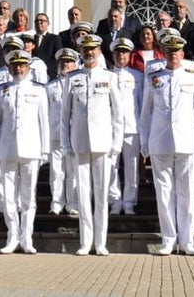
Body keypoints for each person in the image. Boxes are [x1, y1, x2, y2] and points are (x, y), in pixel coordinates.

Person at [139, 34, 194, 256]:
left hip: (186, 140)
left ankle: (187, 240)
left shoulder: (191, 75)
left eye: (177, 51)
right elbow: (146, 112)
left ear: (182, 53)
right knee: (164, 192)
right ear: (164, 53)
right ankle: (169, 238)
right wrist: (144, 140)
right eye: (169, 52)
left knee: (187, 191)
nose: (173, 55)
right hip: (160, 140)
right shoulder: (154, 77)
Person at [62, 34, 125, 255]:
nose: (89, 53)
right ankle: (85, 241)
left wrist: (117, 144)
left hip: (103, 142)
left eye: (92, 49)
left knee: (101, 194)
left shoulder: (109, 77)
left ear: (99, 51)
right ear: (80, 52)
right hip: (80, 142)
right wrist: (66, 144)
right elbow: (64, 117)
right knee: (82, 194)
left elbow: (118, 115)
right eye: (85, 49)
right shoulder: (73, 78)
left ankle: (100, 242)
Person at [0, 50, 50, 254]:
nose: (18, 68)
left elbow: (44, 123)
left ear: (28, 68)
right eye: (14, 65)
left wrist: (45, 150)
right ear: (9, 67)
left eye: (22, 65)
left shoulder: (39, 90)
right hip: (7, 149)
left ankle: (27, 238)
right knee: (8, 197)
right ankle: (12, 236)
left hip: (31, 149)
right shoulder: (1, 90)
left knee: (28, 197)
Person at [108, 38, 143, 215]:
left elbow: (142, 103)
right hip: (110, 128)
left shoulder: (137, 76)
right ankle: (114, 200)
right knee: (111, 165)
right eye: (118, 52)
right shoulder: (106, 76)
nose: (121, 55)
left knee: (132, 165)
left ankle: (129, 201)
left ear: (129, 55)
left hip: (131, 126)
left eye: (124, 52)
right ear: (113, 54)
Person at [47, 48, 81, 216]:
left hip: (74, 133)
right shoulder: (50, 86)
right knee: (56, 171)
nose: (65, 64)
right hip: (55, 134)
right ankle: (57, 202)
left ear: (75, 64)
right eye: (63, 62)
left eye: (69, 61)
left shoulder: (78, 83)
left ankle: (73, 202)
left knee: (73, 171)